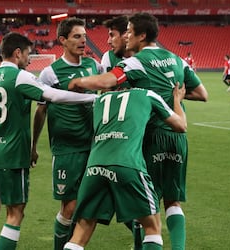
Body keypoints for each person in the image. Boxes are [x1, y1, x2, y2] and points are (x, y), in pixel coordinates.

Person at [68, 12, 208, 250]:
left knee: (144, 204)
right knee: (173, 201)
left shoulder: (135, 62)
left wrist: (78, 82)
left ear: (142, 35)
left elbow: (107, 82)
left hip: (150, 136)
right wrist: (174, 99)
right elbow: (201, 94)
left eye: (130, 32)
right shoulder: (177, 59)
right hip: (177, 134)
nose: (127, 35)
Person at [0, 32, 98, 250]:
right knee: (15, 213)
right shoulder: (20, 76)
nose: (30, 59)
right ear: (18, 53)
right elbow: (54, 96)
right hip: (10, 155)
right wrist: (94, 97)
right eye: (28, 53)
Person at [63, 85, 187, 250]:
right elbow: (181, 125)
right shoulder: (147, 94)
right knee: (152, 228)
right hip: (128, 165)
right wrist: (177, 100)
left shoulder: (99, 100)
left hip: (94, 167)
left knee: (80, 233)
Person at [31, 17, 103, 250]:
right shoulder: (50, 73)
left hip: (94, 147)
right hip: (66, 149)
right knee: (69, 208)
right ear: (62, 40)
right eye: (77, 36)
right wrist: (33, 146)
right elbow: (40, 111)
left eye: (84, 36)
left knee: (93, 206)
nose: (83, 40)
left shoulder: (95, 66)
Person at [101, 15, 143, 250]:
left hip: (139, 135)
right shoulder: (108, 59)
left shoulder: (143, 58)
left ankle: (145, 236)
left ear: (126, 35)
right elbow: (104, 93)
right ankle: (145, 232)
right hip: (114, 135)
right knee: (115, 193)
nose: (108, 41)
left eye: (111, 35)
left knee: (135, 194)